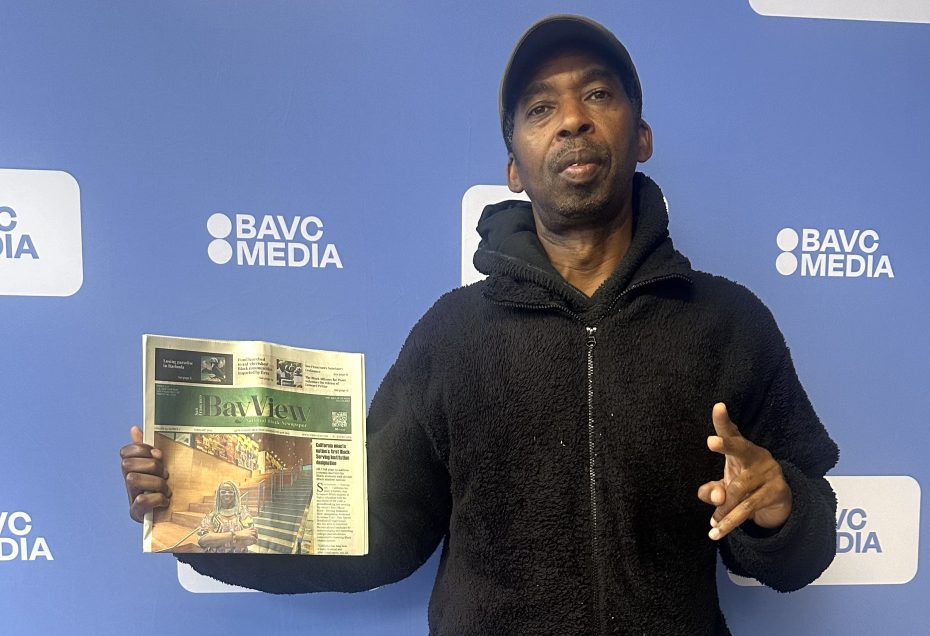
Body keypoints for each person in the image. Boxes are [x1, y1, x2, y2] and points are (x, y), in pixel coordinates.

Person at [120, 14, 838, 634]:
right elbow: (376, 534)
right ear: (514, 171)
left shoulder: (728, 323)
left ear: (641, 135)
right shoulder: (453, 333)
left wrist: (782, 508)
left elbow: (804, 540)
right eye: (539, 108)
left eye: (597, 93)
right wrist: (195, 517)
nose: (572, 118)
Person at [195, 481, 258, 553]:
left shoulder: (243, 513)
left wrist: (216, 538)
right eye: (223, 492)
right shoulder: (212, 515)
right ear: (219, 495)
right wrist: (236, 535)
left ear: (235, 494)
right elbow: (203, 541)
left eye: (230, 491)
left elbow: (251, 538)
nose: (227, 494)